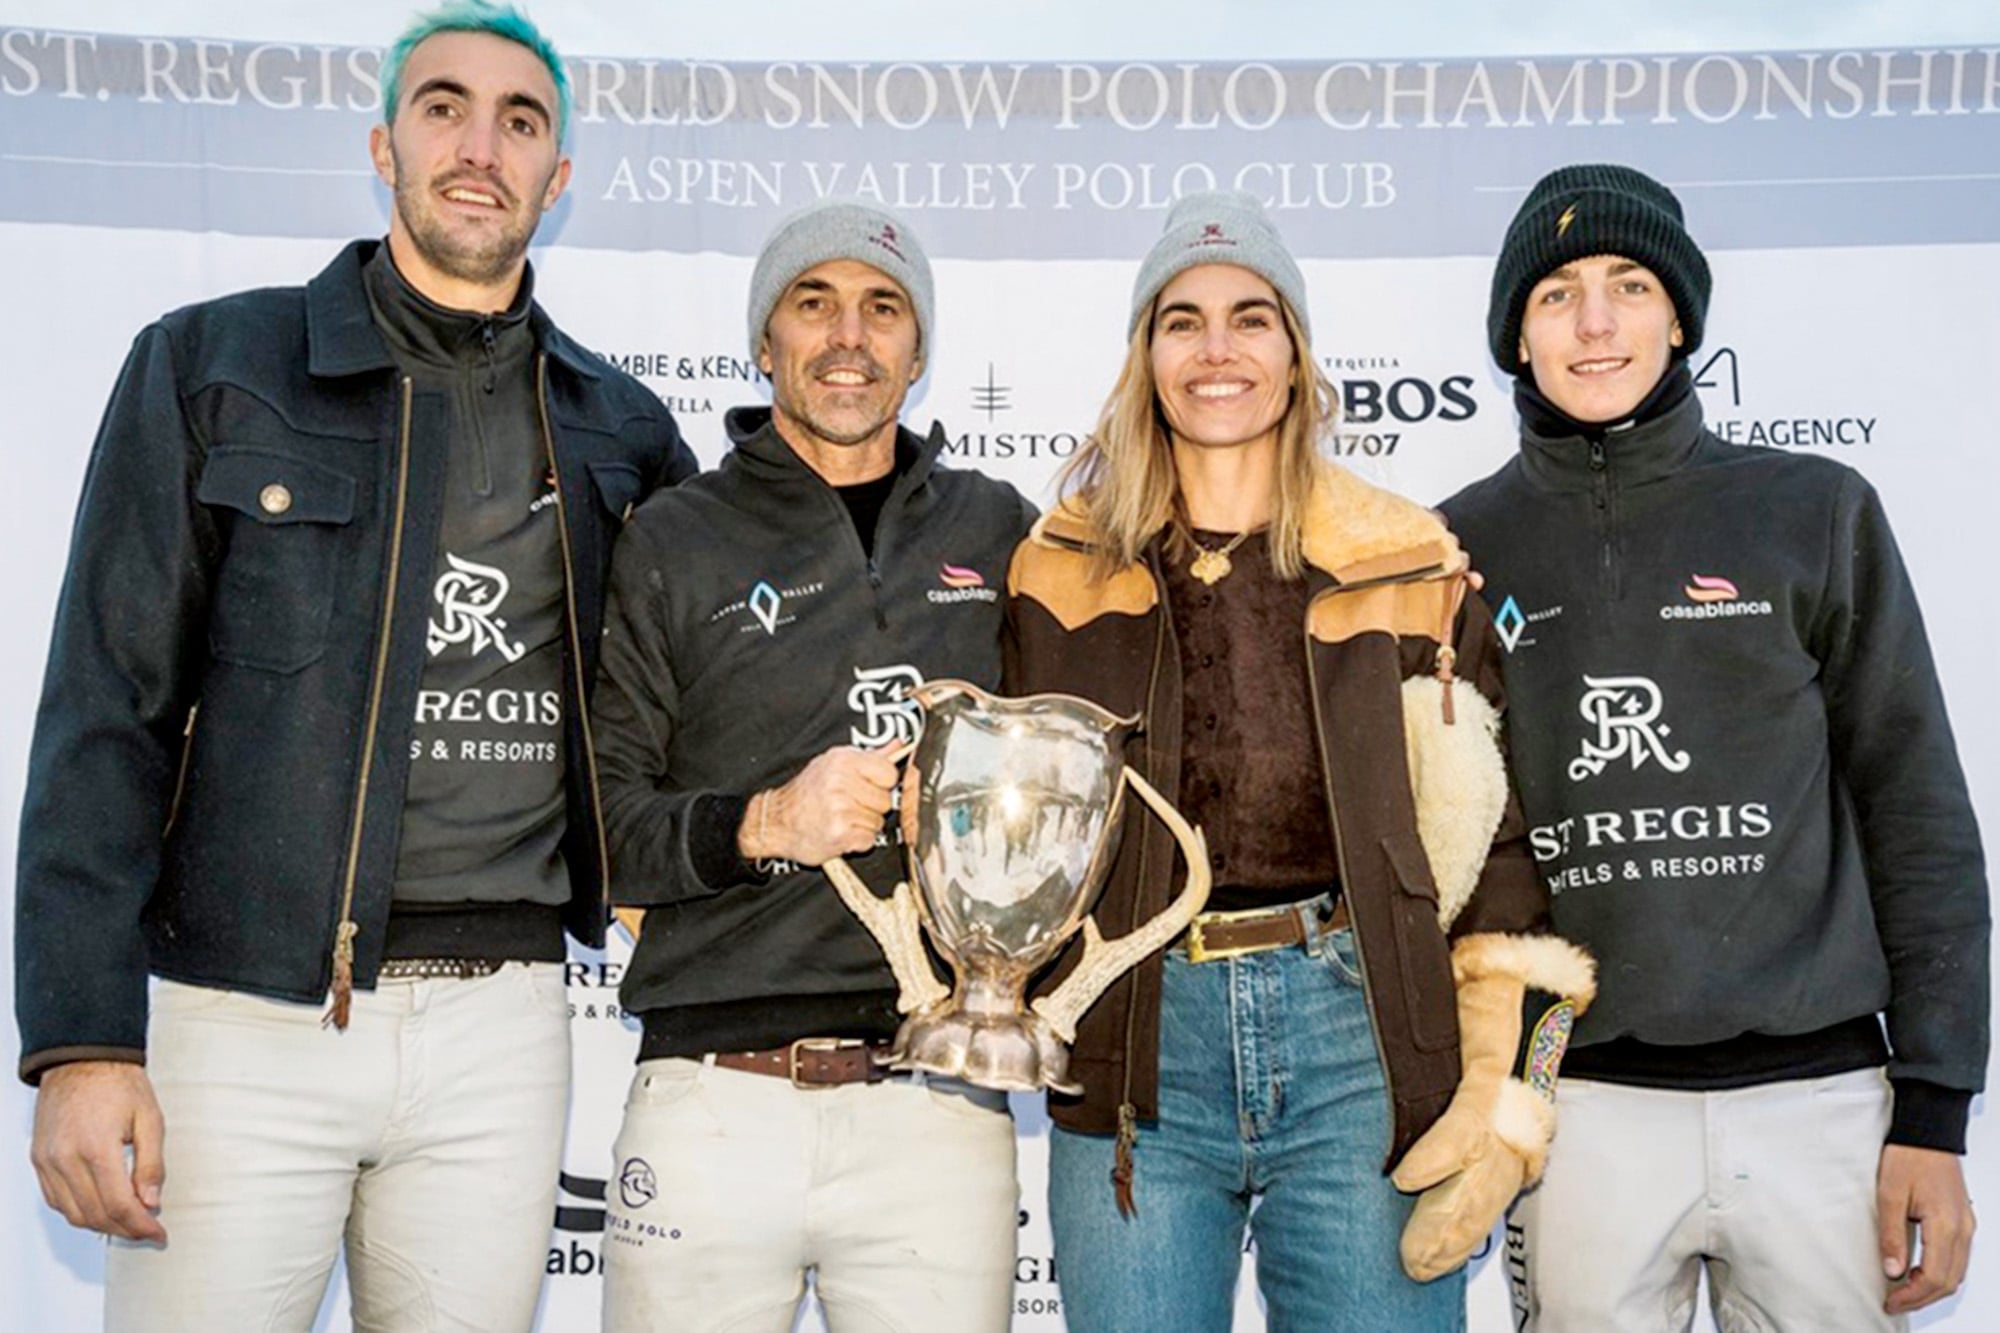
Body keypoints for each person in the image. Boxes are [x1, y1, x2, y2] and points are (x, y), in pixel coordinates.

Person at [14, 4, 695, 1328]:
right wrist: (83, 1044)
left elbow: (677, 719)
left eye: (520, 121)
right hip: (248, 1012)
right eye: (444, 108)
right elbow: (106, 714)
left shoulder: (619, 427)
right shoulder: (215, 366)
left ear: (558, 181)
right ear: (383, 146)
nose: (479, 146)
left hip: (504, 1030)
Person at [1002, 191, 1597, 1331]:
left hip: (1357, 1030)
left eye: (1250, 317)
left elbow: (1491, 832)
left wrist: (1503, 1070)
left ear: (1295, 356)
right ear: (1145, 355)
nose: (1216, 349)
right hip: (1135, 1036)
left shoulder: (1404, 557)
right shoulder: (1056, 565)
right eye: (1181, 320)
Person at [1442, 163, 1988, 1331]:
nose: (1594, 321)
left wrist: (1934, 1112)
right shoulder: (1454, 548)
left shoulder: (1812, 509)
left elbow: (1915, 809)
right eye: (1556, 294)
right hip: (1576, 1107)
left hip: (1825, 1103)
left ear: (1678, 314)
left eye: (1627, 284)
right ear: (1513, 337)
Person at [590, 198, 1037, 1332]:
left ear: (919, 350)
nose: (849, 336)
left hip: (934, 1102)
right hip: (711, 1102)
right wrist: (763, 822)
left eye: (883, 308)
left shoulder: (999, 528)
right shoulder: (673, 537)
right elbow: (596, 823)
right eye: (813, 302)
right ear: (763, 341)